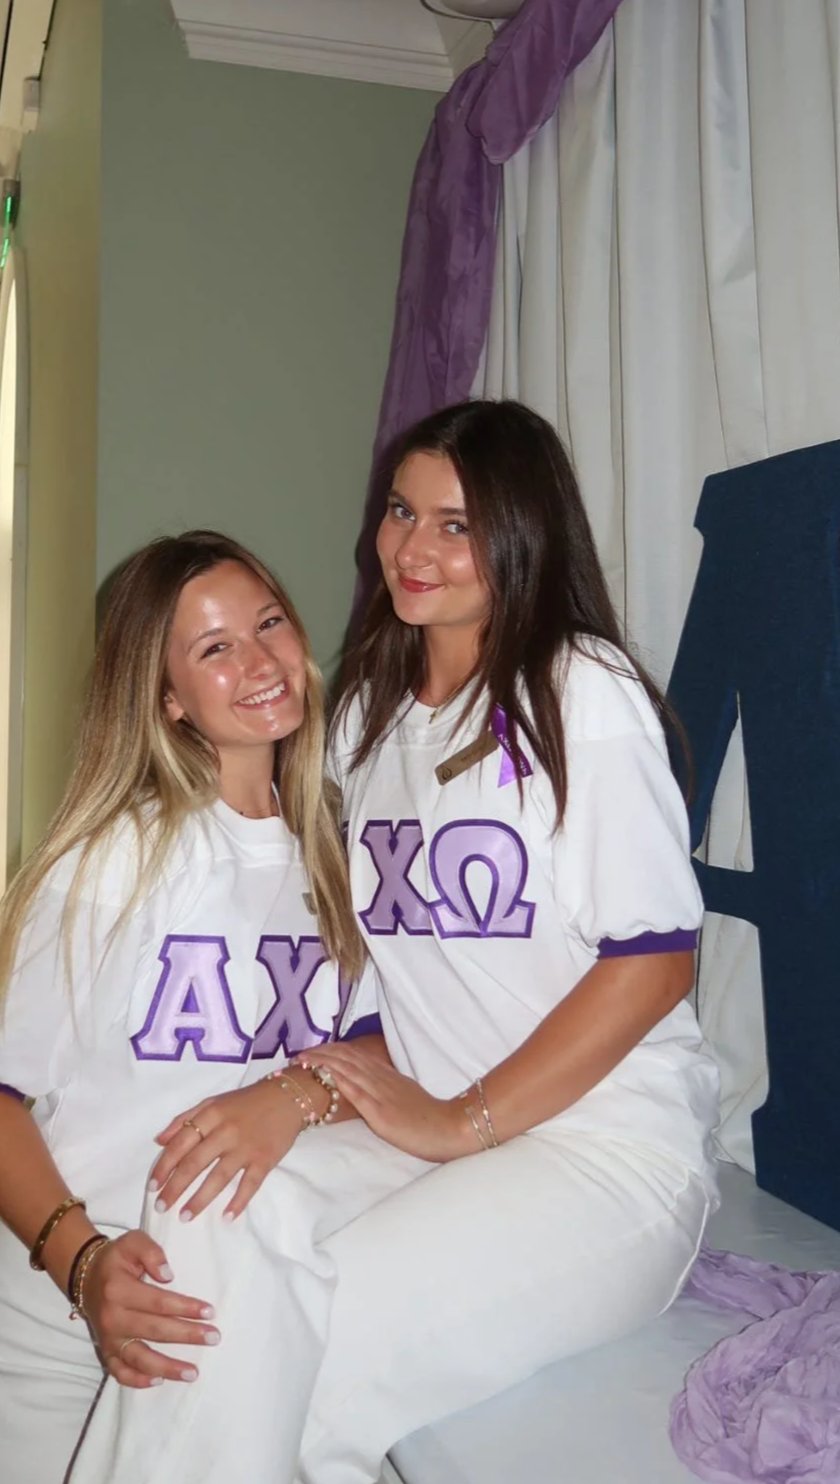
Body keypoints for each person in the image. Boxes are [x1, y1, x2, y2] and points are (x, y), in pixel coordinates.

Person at [67, 400, 719, 1484]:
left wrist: (460, 1120)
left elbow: (651, 964)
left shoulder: (577, 689)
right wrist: (294, 1094)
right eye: (399, 512)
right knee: (208, 1213)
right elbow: (375, 991)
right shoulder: (364, 717)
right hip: (421, 1125)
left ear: (522, 530)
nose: (411, 548)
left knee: (292, 1358)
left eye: (455, 525)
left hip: (601, 1149)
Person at [0, 531, 391, 1484]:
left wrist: (296, 1094)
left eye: (267, 623)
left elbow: (374, 1055)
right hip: (59, 1332)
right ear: (167, 698)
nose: (259, 659)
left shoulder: (340, 847)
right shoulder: (115, 862)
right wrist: (84, 1265)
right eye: (214, 646)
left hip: (225, 1319)